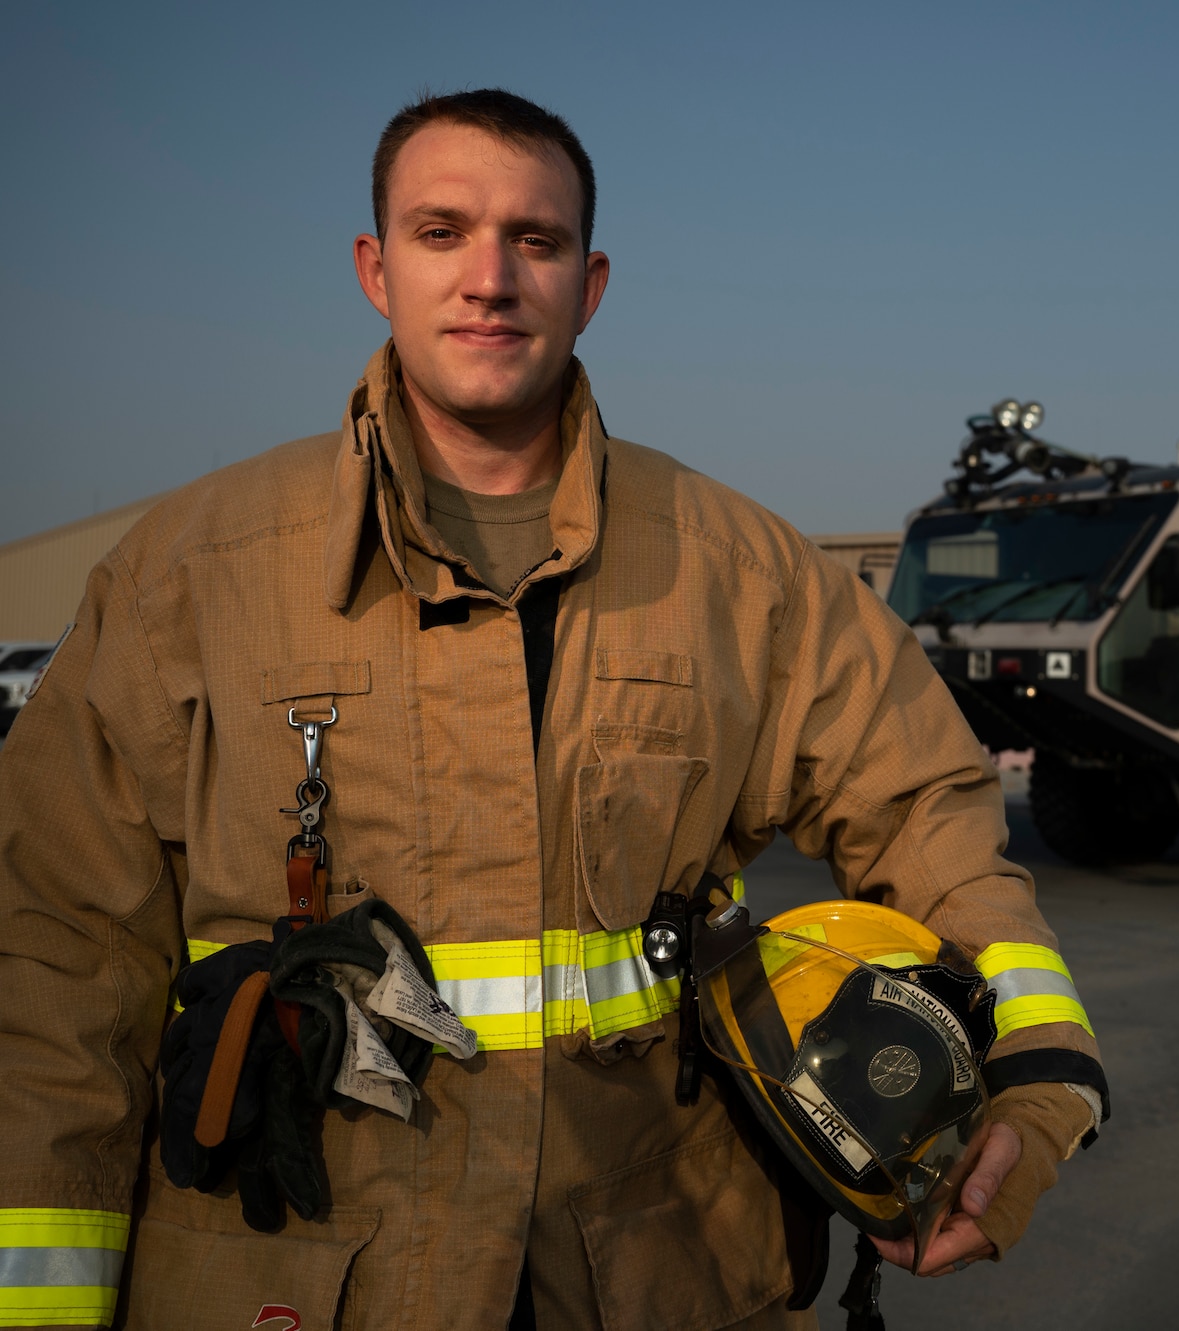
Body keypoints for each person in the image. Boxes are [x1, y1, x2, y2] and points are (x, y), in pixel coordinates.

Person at [0, 89, 1105, 1330]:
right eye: (440, 231)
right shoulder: (189, 576)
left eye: (534, 239)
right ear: (375, 269)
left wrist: (1038, 1074)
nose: (489, 277)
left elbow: (929, 813)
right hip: (302, 1281)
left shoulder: (744, 575)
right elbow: (60, 958)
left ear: (591, 283)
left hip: (649, 1273)